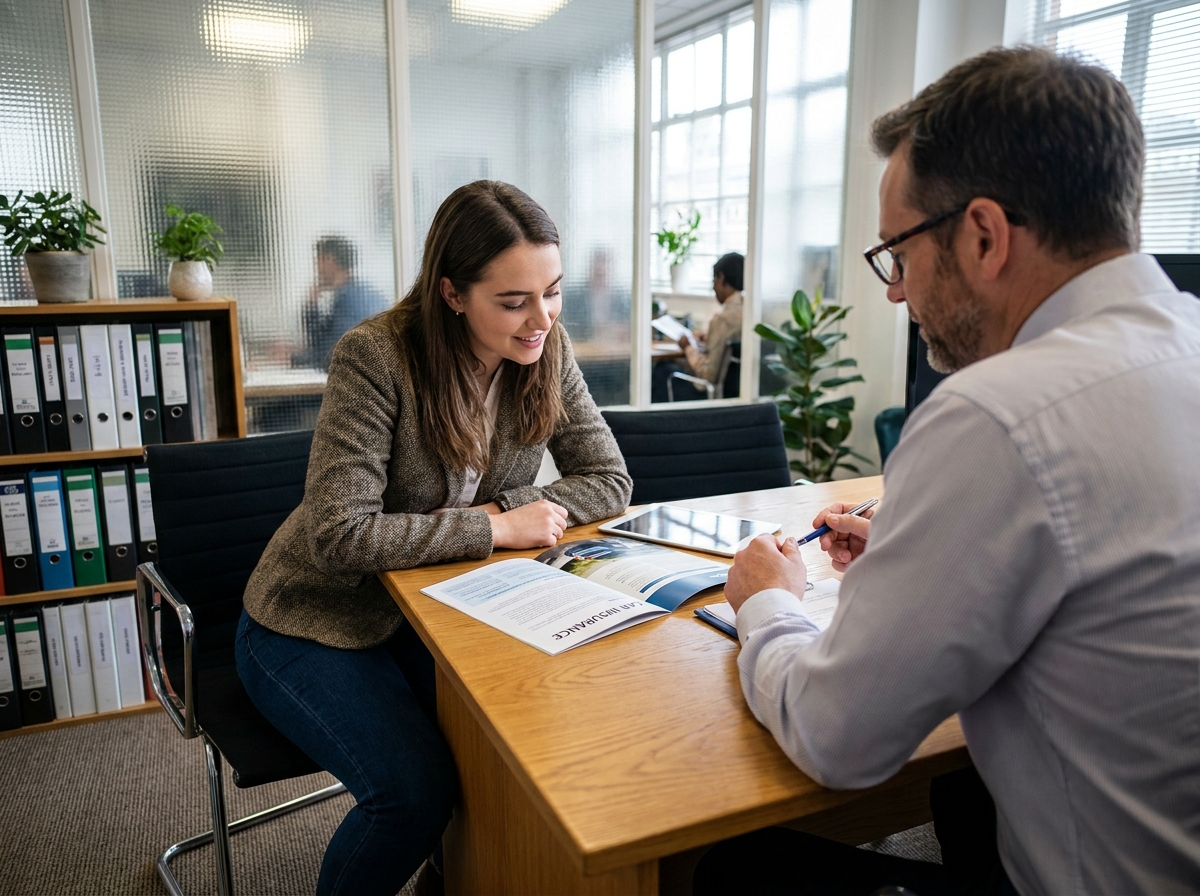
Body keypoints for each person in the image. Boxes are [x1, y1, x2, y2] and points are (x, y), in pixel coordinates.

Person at [696, 47, 1200, 896]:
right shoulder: (1180, 340)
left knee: (736, 870)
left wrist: (767, 602)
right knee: (961, 794)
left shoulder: (998, 414)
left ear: (983, 235)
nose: (896, 294)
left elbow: (836, 737)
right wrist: (915, 538)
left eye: (898, 251)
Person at [236, 181, 633, 896]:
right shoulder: (377, 357)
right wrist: (494, 526)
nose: (540, 318)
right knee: (412, 796)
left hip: (441, 609)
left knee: (512, 756)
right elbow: (337, 536)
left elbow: (608, 477)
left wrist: (510, 503)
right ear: (452, 293)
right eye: (513, 302)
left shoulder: (546, 345)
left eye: (553, 292)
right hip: (314, 616)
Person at [652, 252, 744, 401]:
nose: (713, 287)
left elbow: (707, 374)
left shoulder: (722, 320)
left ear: (721, 277)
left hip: (709, 394)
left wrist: (687, 347)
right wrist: (709, 338)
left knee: (663, 370)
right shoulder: (748, 312)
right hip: (734, 394)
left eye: (714, 280)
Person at [292, 235, 390, 371]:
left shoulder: (351, 298)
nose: (316, 265)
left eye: (319, 260)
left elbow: (333, 355)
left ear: (331, 261)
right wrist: (312, 305)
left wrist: (292, 358)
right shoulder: (353, 292)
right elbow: (321, 340)